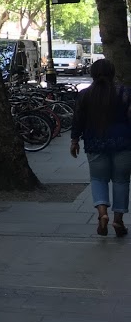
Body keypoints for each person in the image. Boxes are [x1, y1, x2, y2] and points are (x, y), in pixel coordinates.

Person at [70, 58, 131, 237]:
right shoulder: (125, 93)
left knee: (98, 179)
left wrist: (74, 141)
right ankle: (117, 220)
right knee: (121, 181)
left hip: (95, 143)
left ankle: (102, 214)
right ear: (112, 73)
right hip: (123, 142)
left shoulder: (85, 95)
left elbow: (78, 120)